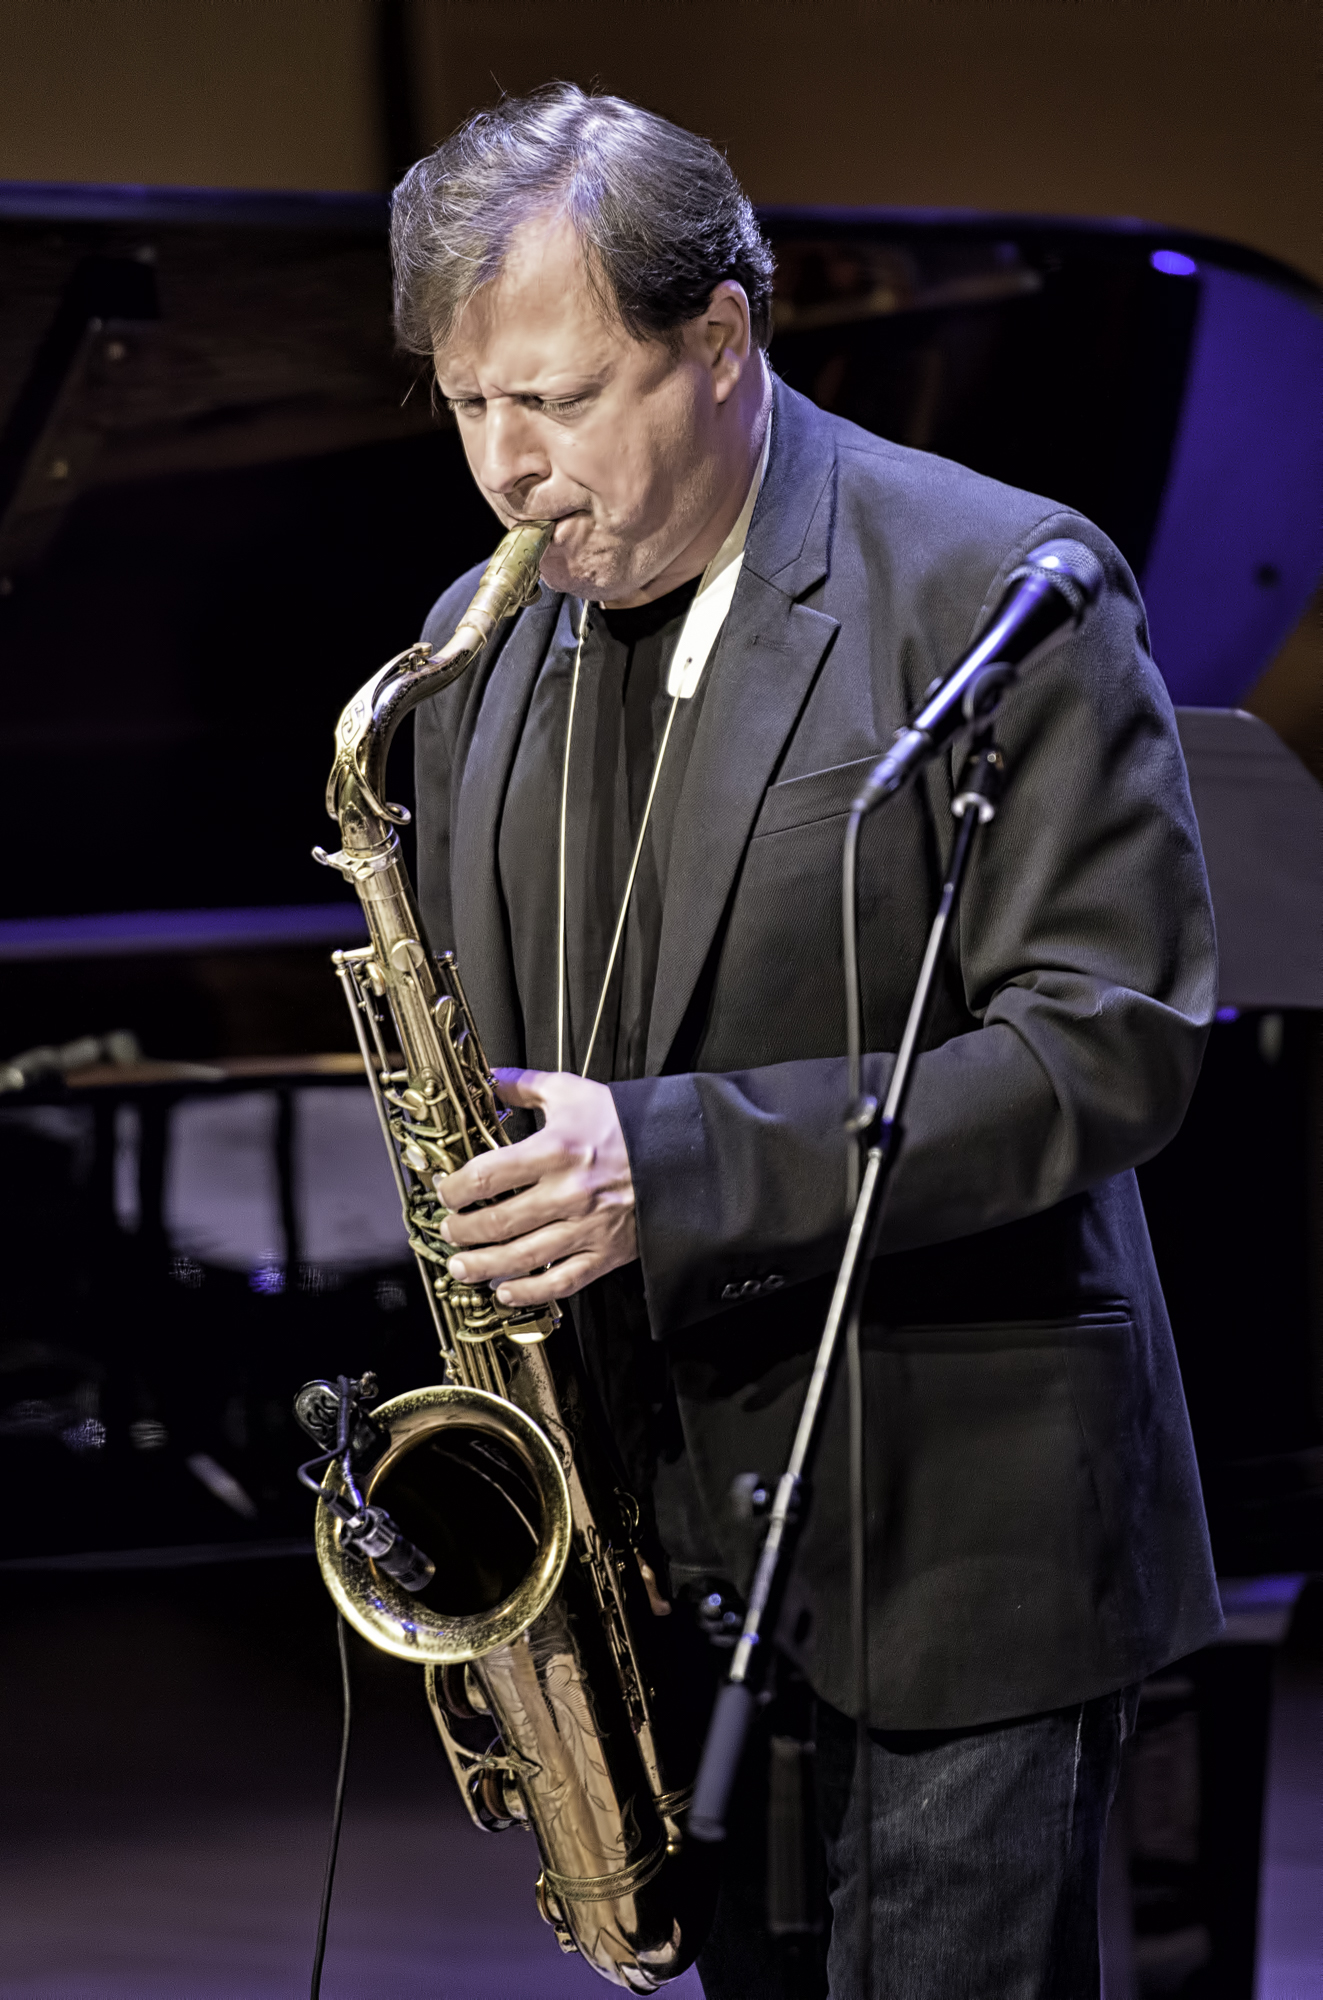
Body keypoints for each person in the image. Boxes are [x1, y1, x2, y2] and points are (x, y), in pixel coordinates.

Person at [395, 84, 1219, 1999]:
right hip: (663, 1559)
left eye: (563, 398)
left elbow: (1115, 1048)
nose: (512, 469)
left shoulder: (998, 589)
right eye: (468, 408)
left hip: (962, 1545)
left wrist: (662, 1164)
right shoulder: (473, 641)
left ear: (724, 340)